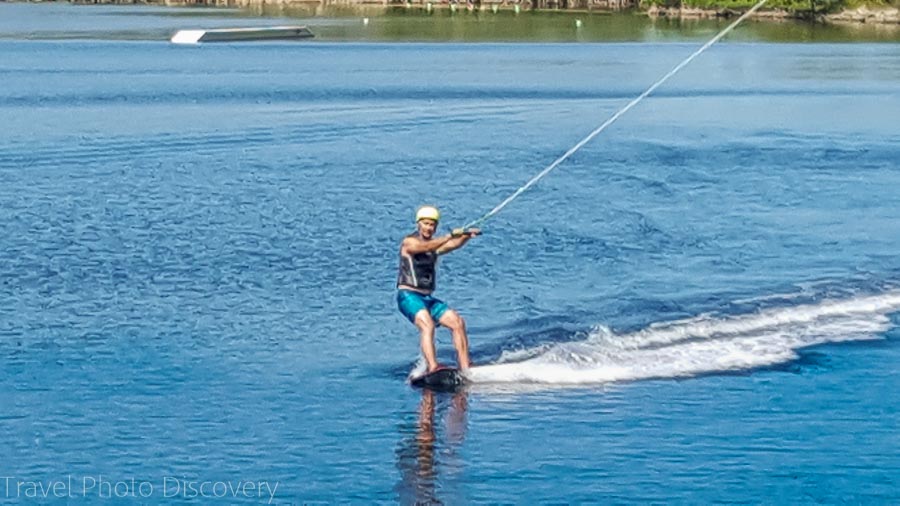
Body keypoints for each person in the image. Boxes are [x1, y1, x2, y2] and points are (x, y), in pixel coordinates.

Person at [397, 205, 480, 374]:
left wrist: (466, 236)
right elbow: (426, 247)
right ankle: (433, 366)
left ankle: (465, 366)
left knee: (457, 322)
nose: (429, 228)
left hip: (427, 298)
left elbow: (451, 245)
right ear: (419, 224)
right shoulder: (409, 242)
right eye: (426, 224)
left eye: (432, 225)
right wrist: (450, 235)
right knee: (427, 325)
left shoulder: (434, 246)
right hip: (408, 296)